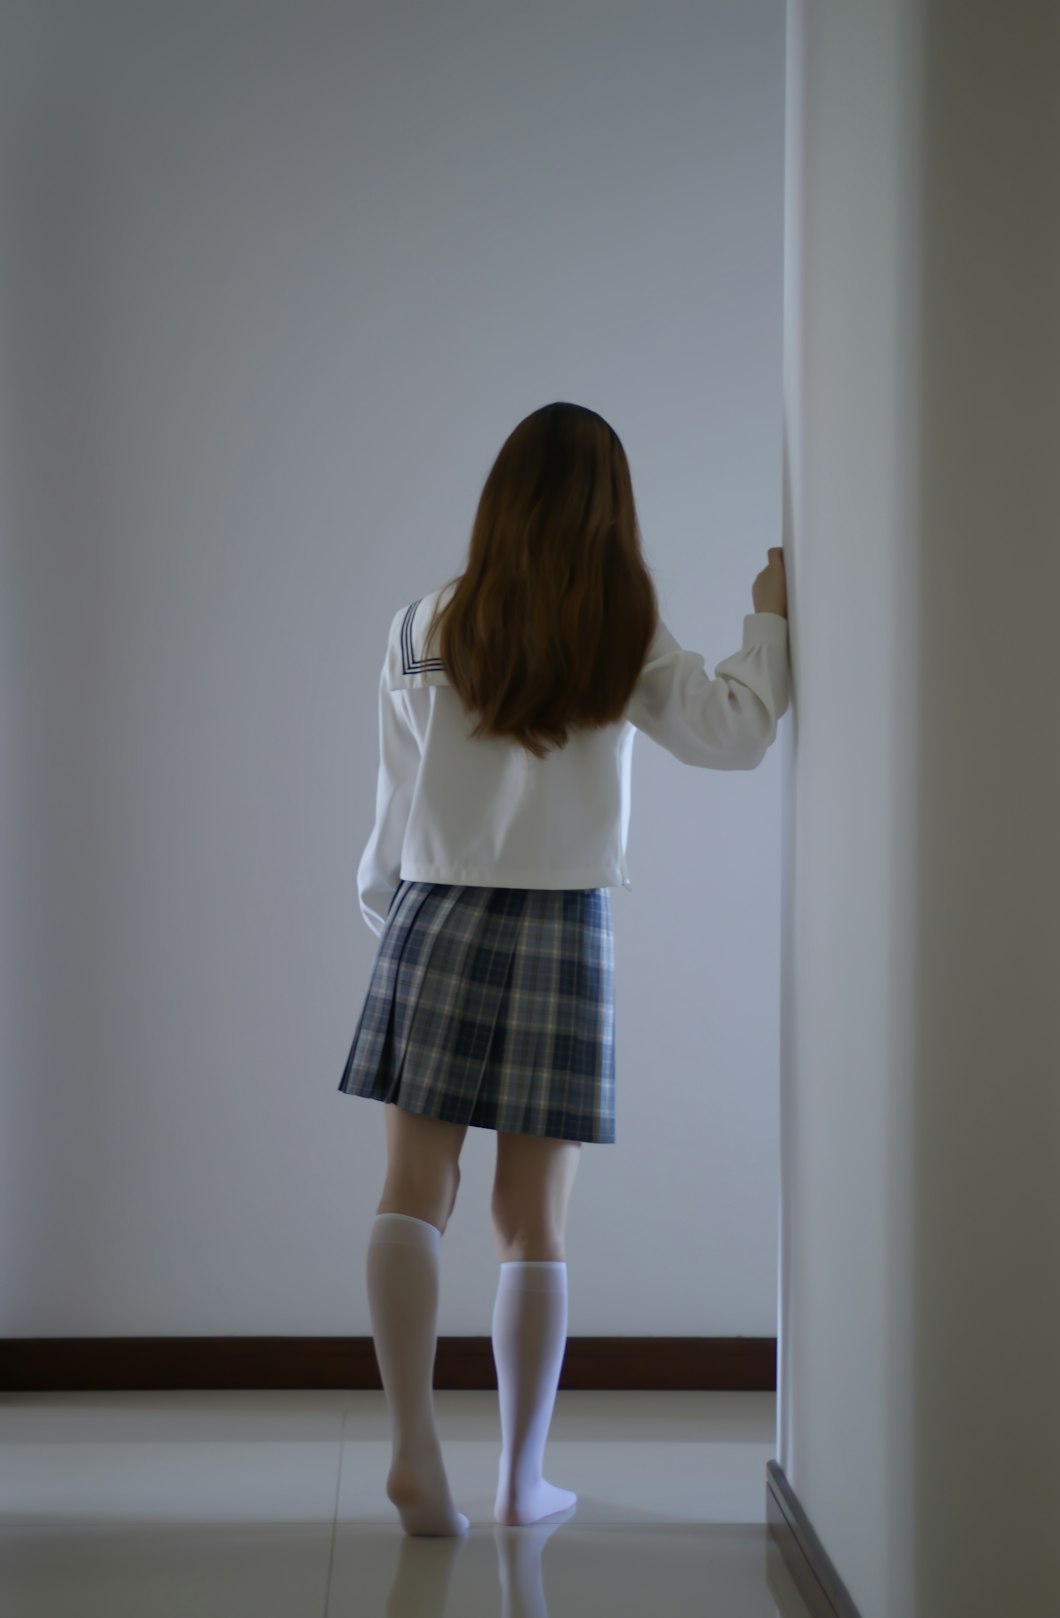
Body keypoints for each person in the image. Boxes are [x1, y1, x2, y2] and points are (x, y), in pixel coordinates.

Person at [337, 401, 790, 1538]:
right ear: (607, 505)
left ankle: (410, 1455)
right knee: (532, 1220)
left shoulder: (420, 621)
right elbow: (733, 731)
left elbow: (390, 814)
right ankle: (519, 1480)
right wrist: (770, 620)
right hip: (562, 927)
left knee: (411, 1193)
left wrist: (390, 917)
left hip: (432, 911)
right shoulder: (616, 623)